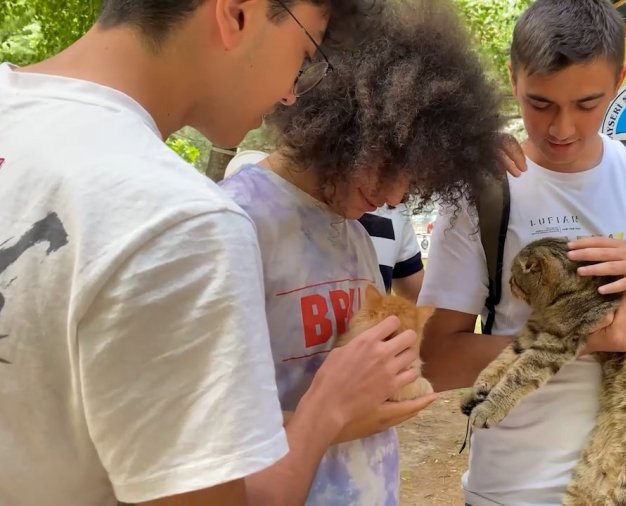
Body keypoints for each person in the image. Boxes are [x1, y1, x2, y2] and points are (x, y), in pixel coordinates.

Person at [0, 1, 430, 504]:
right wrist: (324, 414)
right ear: (237, 13)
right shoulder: (182, 220)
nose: (292, 92)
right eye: (305, 50)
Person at [418, 1, 626, 505]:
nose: (562, 129)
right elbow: (436, 360)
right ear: (512, 78)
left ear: (620, 80)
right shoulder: (484, 192)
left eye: (587, 103)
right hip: (514, 491)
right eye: (541, 103)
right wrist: (585, 339)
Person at [217, 0, 509, 503]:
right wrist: (337, 418)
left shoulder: (349, 226)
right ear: (344, 124)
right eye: (392, 164)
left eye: (415, 176)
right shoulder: (235, 224)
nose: (397, 196)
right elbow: (210, 429)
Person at [226, 153, 426, 301]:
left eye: (410, 181)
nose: (394, 199)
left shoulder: (357, 238)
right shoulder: (231, 218)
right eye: (389, 168)